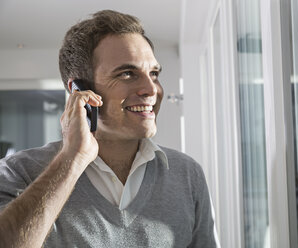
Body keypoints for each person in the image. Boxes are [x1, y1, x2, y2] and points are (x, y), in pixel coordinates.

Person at [0, 10, 218, 248]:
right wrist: (73, 160)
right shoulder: (17, 172)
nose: (151, 89)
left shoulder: (187, 174)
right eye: (127, 74)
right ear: (79, 90)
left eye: (153, 74)